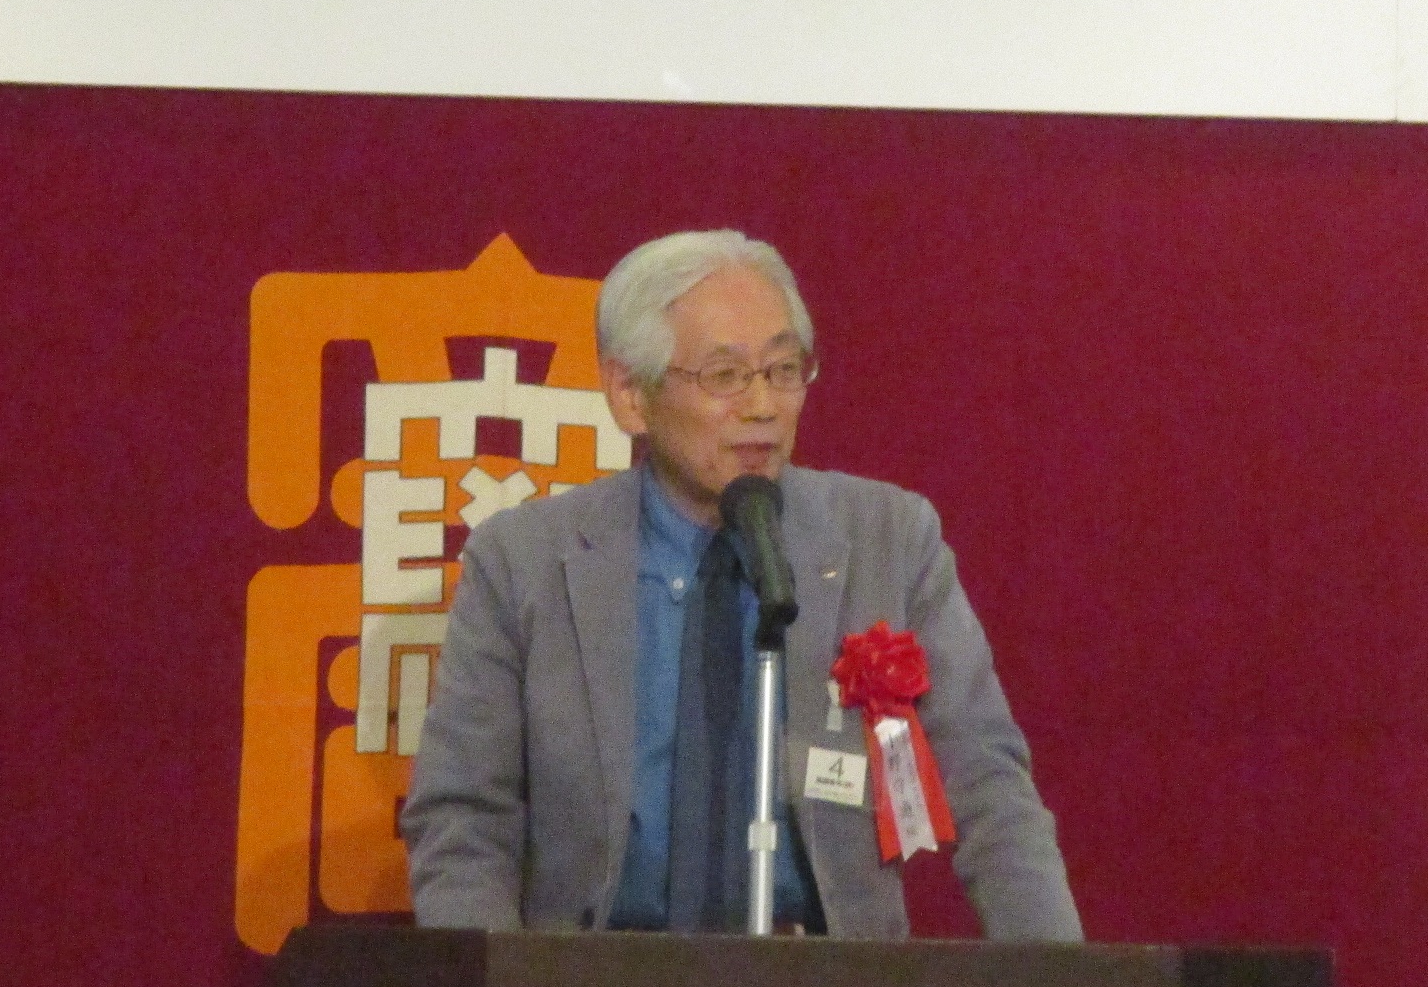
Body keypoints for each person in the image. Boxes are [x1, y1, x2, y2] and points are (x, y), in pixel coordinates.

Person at [401, 228, 1080, 941]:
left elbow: (989, 788)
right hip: (596, 985)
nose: (763, 406)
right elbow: (463, 817)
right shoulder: (524, 561)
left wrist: (1062, 986)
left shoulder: (890, 540)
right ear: (630, 394)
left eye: (783, 370)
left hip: (829, 985)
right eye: (724, 376)